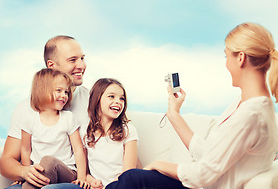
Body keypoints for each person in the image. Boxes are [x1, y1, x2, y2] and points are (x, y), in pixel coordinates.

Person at [105, 22, 278, 189]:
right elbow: (210, 155)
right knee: (130, 178)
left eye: (227, 56)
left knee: (133, 177)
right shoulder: (243, 104)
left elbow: (202, 174)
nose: (226, 64)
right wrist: (174, 114)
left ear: (241, 58)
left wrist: (159, 165)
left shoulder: (252, 114)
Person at [0, 36, 89, 189]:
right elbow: (7, 161)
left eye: (82, 58)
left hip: (70, 179)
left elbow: (122, 138)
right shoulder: (26, 109)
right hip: (39, 178)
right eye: (72, 60)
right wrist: (24, 171)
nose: (81, 65)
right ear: (51, 66)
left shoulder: (95, 101)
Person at [20, 68, 87, 189]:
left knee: (48, 161)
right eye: (59, 90)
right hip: (41, 172)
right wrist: (27, 173)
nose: (64, 95)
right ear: (42, 91)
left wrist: (81, 178)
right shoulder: (29, 120)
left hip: (67, 172)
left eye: (66, 92)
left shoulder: (68, 118)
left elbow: (78, 149)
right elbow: (25, 150)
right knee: (42, 167)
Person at [83, 78, 138, 188]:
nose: (118, 101)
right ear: (97, 99)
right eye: (111, 96)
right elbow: (85, 172)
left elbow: (128, 173)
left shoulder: (128, 130)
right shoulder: (87, 134)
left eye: (122, 98)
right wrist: (92, 181)